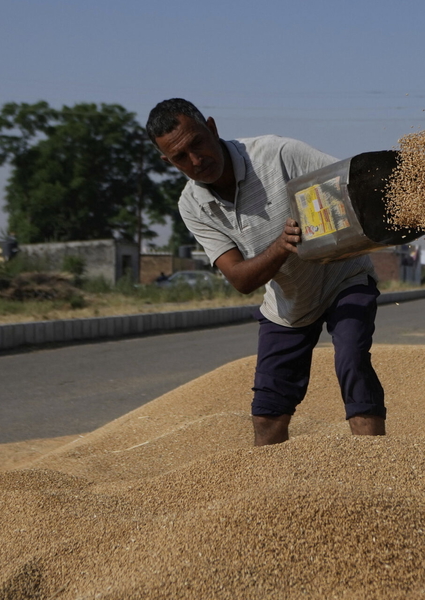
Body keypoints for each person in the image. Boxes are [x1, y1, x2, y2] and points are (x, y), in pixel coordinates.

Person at [145, 98, 386, 446]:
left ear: (211, 128)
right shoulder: (192, 205)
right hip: (287, 302)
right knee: (268, 409)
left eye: (198, 142)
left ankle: (373, 465)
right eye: (181, 157)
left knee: (352, 360)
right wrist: (281, 244)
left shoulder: (277, 154)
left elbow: (350, 185)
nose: (196, 160)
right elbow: (241, 279)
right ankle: (267, 491)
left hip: (343, 277)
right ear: (167, 161)